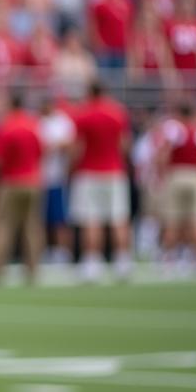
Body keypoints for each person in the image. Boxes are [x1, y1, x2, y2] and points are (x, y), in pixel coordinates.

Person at [69, 81, 132, 280]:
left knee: (91, 219)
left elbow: (77, 148)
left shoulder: (84, 114)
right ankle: (122, 261)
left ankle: (92, 263)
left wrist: (71, 167)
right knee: (119, 218)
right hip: (114, 171)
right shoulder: (117, 112)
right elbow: (124, 145)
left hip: (89, 172)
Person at [0, 94, 44, 283]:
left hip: (10, 181)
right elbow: (42, 152)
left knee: (2, 225)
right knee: (32, 226)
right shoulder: (33, 125)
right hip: (33, 181)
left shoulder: (6, 127)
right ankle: (33, 268)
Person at [158, 101, 196, 269]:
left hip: (177, 174)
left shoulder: (176, 129)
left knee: (173, 219)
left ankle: (169, 258)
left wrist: (162, 172)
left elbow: (164, 153)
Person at [39, 98, 76, 262]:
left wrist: (54, 146)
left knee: (60, 218)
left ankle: (63, 250)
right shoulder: (39, 122)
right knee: (42, 217)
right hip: (41, 178)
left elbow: (70, 145)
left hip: (57, 177)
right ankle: (48, 249)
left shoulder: (62, 122)